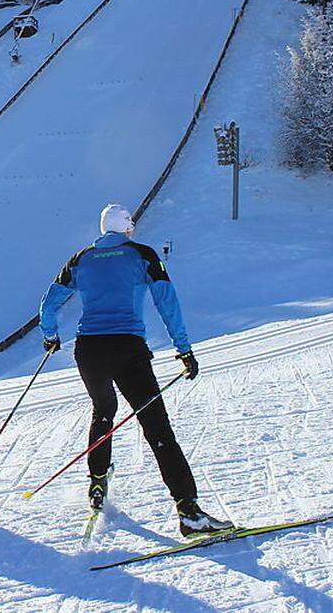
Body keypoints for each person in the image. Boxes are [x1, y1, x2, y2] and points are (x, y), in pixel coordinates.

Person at [38, 205, 232, 536]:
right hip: (127, 348)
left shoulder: (79, 259)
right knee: (156, 427)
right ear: (126, 228)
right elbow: (167, 302)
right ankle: (188, 511)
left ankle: (97, 484)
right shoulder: (142, 254)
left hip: (89, 351)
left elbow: (48, 305)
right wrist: (183, 349)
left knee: (103, 412)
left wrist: (51, 337)